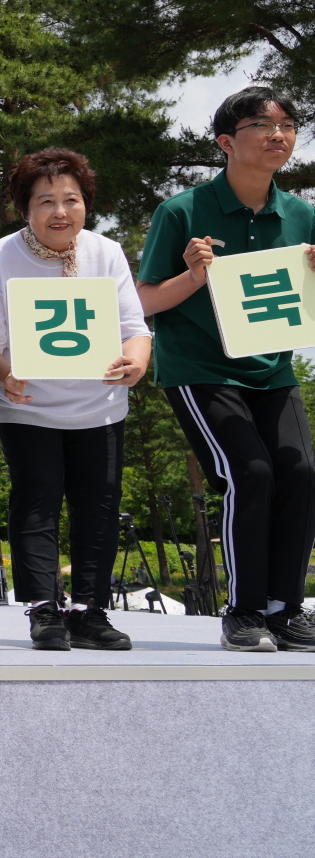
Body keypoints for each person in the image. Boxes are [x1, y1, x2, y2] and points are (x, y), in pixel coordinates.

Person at [136, 86, 315, 653]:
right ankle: (243, 613)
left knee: (302, 474)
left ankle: (287, 610)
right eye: (262, 125)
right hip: (202, 369)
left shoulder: (301, 215)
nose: (278, 136)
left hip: (272, 370)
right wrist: (192, 275)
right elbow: (142, 301)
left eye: (288, 125)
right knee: (252, 473)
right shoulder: (183, 211)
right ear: (224, 142)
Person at [0, 149, 150, 652]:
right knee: (37, 501)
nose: (60, 211)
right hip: (26, 403)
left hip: (98, 405)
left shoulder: (105, 252)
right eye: (46, 201)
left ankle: (89, 611)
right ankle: (42, 610)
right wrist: (5, 375)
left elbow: (133, 329)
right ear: (24, 208)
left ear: (86, 204)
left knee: (98, 506)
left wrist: (136, 363)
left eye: (71, 200)